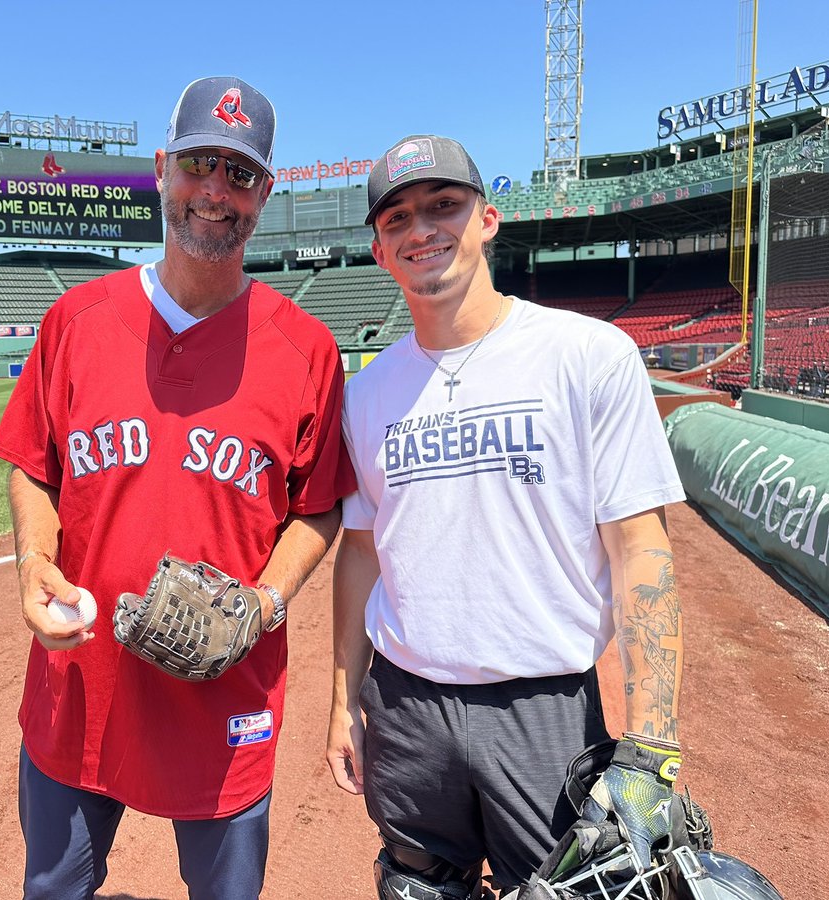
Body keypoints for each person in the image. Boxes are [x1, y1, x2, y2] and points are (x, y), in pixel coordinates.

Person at [0, 76, 354, 900]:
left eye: (242, 173)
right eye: (200, 164)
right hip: (82, 684)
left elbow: (318, 506)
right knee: (53, 890)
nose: (216, 192)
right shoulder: (75, 321)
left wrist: (264, 601)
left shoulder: (307, 351)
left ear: (266, 192)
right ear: (162, 168)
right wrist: (33, 564)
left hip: (227, 696)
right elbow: (34, 466)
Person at [325, 135, 687, 899]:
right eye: (398, 219)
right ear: (380, 250)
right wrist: (342, 704)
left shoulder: (588, 354)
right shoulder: (366, 393)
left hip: (545, 705)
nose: (421, 228)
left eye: (443, 206)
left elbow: (639, 549)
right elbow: (360, 552)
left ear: (488, 219)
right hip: (406, 702)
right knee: (416, 886)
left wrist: (653, 743)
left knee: (567, 887)